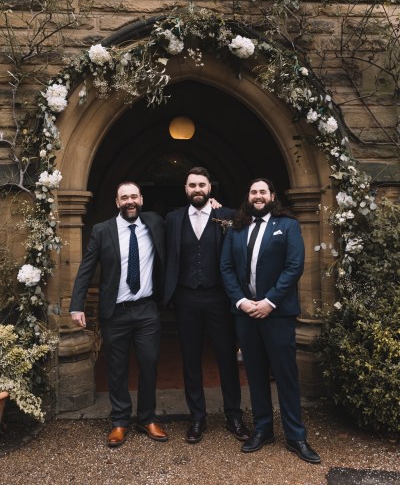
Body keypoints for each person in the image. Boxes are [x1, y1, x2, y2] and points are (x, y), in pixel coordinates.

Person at [220, 178, 321, 464]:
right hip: (246, 313)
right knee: (254, 374)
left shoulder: (287, 225)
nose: (258, 196)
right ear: (248, 197)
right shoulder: (237, 228)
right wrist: (242, 302)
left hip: (277, 314)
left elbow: (294, 266)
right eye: (253, 192)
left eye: (263, 191)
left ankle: (296, 436)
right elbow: (226, 268)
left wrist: (269, 302)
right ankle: (263, 429)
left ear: (272, 196)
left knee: (286, 375)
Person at [70, 181, 168, 447]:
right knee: (116, 369)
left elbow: (185, 221)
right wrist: (76, 304)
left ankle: (147, 418)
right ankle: (120, 422)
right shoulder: (102, 231)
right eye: (124, 197)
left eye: (134, 196)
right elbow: (86, 268)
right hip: (115, 313)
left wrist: (216, 205)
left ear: (142, 199)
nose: (130, 201)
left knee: (149, 364)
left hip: (147, 309)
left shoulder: (155, 224)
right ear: (117, 202)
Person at [164, 167, 250, 444]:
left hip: (219, 298)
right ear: (185, 189)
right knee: (190, 359)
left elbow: (249, 231)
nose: (197, 189)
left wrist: (224, 209)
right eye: (192, 185)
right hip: (186, 297)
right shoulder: (173, 219)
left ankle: (233, 415)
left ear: (210, 188)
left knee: (226, 358)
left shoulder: (226, 217)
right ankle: (197, 417)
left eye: (202, 184)